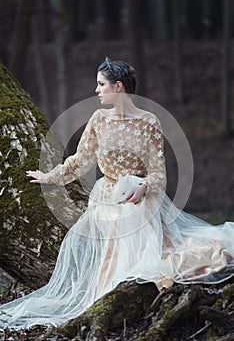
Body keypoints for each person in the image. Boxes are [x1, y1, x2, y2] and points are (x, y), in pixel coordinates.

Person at [0, 58, 234, 330]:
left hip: (141, 195)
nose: (96, 90)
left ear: (118, 86)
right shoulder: (99, 120)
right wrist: (49, 177)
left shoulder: (149, 121)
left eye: (101, 84)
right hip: (107, 196)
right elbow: (79, 161)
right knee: (120, 229)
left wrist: (143, 186)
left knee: (146, 227)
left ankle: (142, 291)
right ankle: (110, 296)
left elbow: (159, 175)